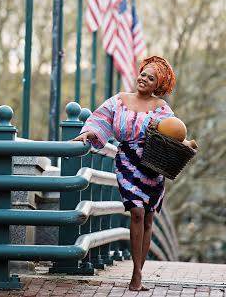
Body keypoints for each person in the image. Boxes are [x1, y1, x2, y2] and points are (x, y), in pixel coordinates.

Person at [71, 55, 198, 292]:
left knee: (148, 216)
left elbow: (174, 134)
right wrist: (88, 134)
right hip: (127, 162)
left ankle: (138, 270)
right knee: (137, 212)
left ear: (157, 85)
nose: (144, 79)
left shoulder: (161, 108)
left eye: (151, 78)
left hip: (152, 163)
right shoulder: (119, 101)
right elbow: (100, 120)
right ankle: (136, 275)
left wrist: (187, 143)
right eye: (143, 74)